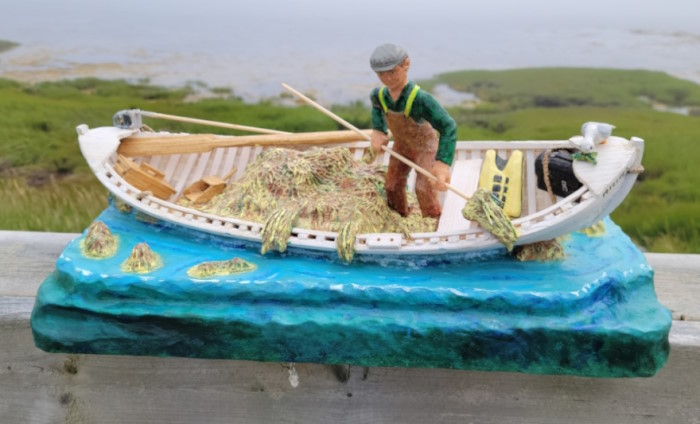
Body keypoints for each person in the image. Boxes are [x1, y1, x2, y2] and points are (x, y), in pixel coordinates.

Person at [369, 43, 457, 219]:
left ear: (406, 64)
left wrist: (442, 164)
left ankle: (432, 221)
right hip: (401, 147)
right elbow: (377, 107)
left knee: (424, 188)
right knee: (392, 186)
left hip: (425, 147)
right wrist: (379, 130)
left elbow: (448, 126)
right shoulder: (379, 95)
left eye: (392, 72)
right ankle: (399, 217)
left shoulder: (420, 99)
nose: (387, 79)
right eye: (381, 74)